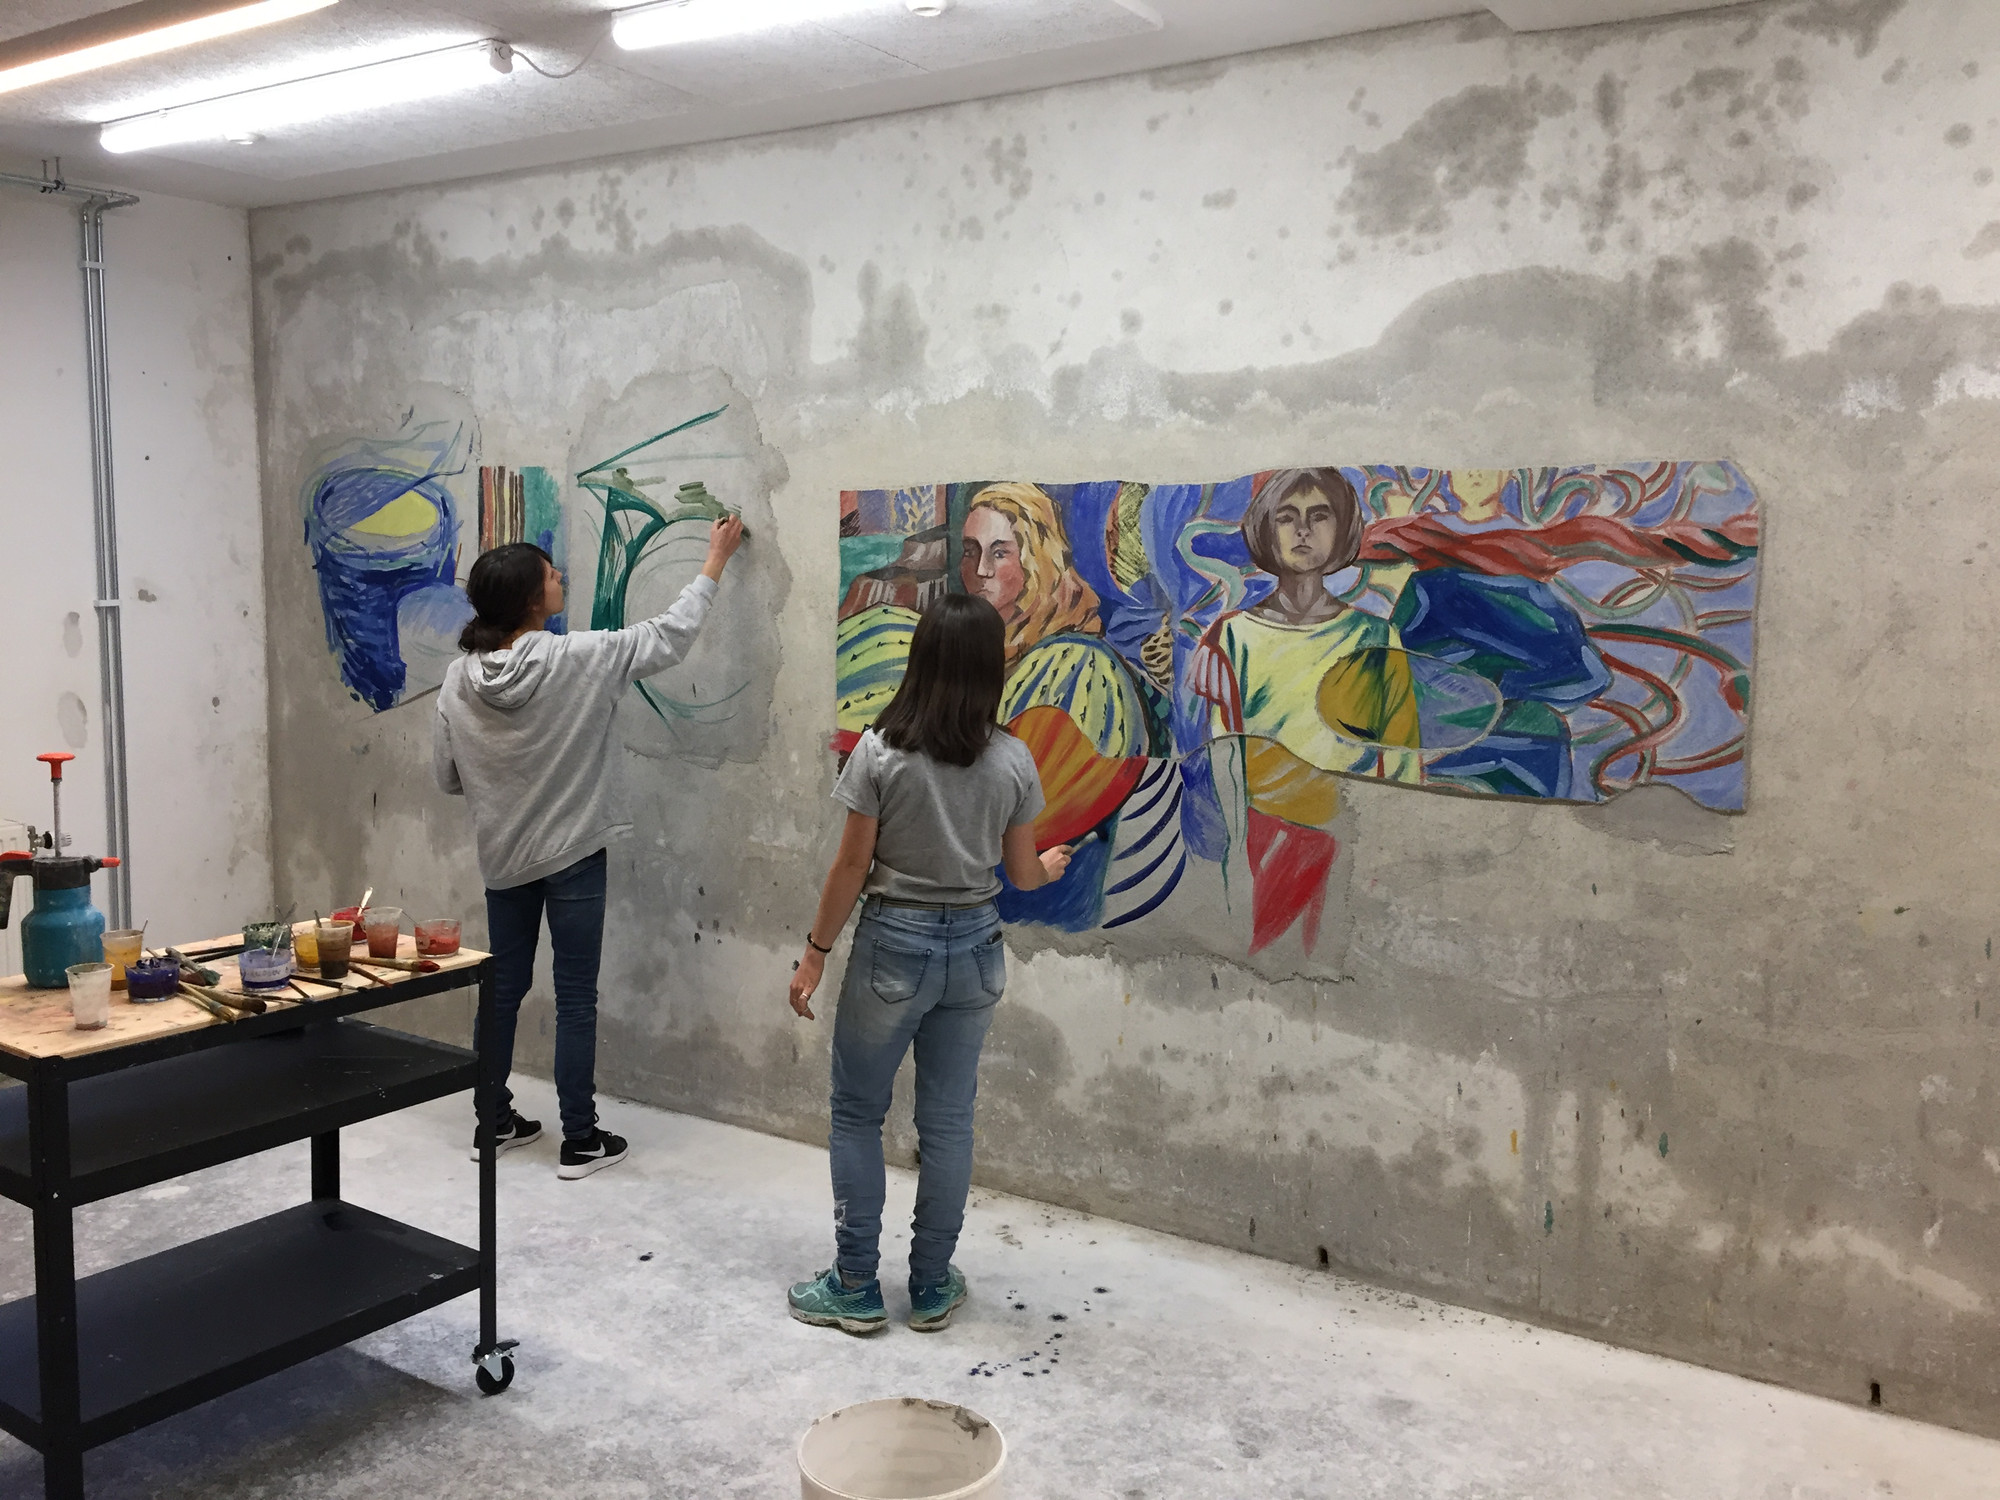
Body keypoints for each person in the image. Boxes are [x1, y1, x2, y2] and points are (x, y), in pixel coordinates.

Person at [786, 594, 1071, 1334]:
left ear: (920, 660)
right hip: (975, 949)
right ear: (989, 668)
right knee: (948, 1125)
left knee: (857, 1114)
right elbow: (1020, 876)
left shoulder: (880, 751)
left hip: (893, 947)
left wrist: (814, 956)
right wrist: (1049, 862)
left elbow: (852, 866)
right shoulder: (1012, 759)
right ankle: (932, 1284)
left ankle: (854, 1287)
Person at [433, 517, 746, 1178]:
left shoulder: (459, 681)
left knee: (503, 991)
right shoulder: (580, 658)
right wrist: (715, 558)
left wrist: (508, 784)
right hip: (574, 854)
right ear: (528, 600)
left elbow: (448, 776)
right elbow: (670, 636)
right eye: (550, 575)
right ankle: (580, 1139)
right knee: (576, 996)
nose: (561, 579)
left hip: (503, 858)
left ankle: (491, 1122)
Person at [1187, 468, 1420, 954]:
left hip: (1349, 839)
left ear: (1342, 529)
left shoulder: (1373, 638)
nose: (1303, 531)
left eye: (1319, 516)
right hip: (1259, 843)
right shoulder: (1231, 636)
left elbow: (1400, 759)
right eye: (1287, 518)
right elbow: (1221, 755)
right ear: (1266, 530)